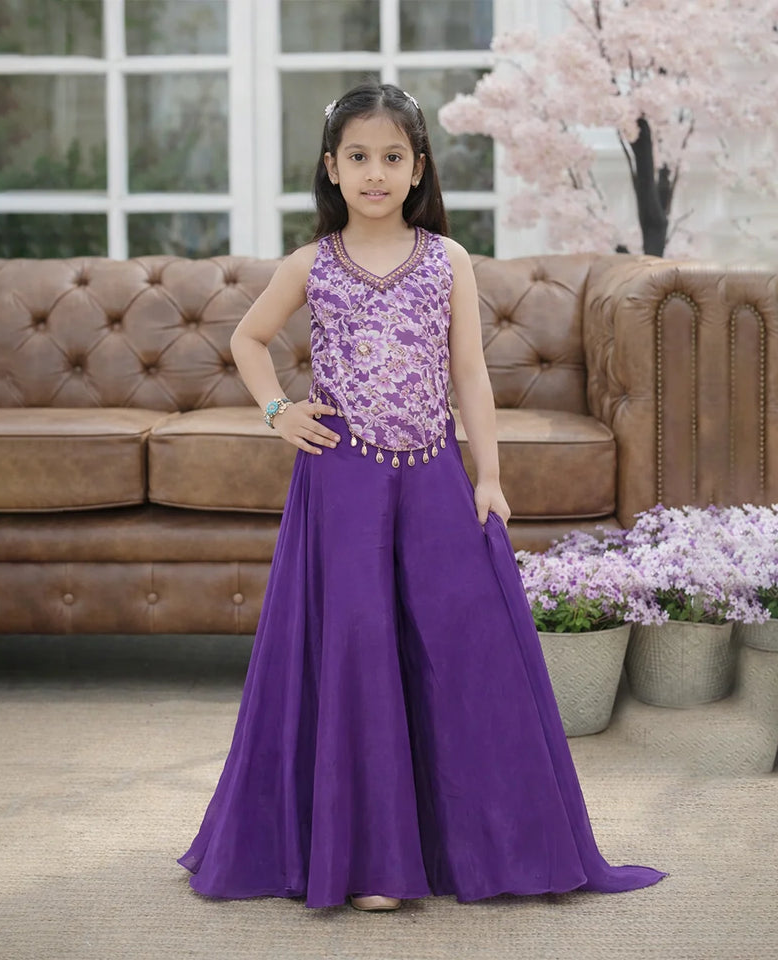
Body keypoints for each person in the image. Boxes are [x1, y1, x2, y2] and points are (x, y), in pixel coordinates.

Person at [177, 80, 667, 913]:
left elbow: (469, 373)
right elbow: (248, 339)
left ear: (417, 168)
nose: (375, 172)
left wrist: (490, 476)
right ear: (331, 168)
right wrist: (277, 411)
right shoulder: (311, 264)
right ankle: (369, 863)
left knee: (464, 640)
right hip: (344, 480)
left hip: (436, 470)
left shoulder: (448, 260)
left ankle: (490, 842)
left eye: (392, 157)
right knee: (356, 649)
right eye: (358, 157)